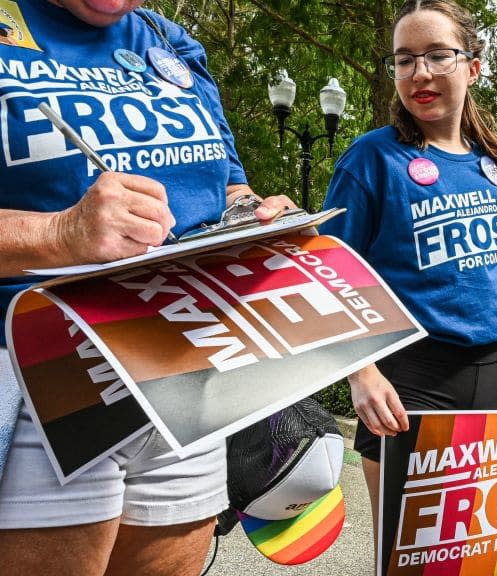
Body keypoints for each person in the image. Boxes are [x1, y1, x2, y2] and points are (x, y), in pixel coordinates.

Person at [0, 1, 296, 574]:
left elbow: (226, 190)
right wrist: (58, 232)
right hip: (37, 372)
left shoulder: (167, 38)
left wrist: (261, 218)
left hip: (180, 368)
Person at [318, 0, 497, 543]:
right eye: (404, 60)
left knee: (482, 557)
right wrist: (360, 373)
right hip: (406, 381)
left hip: (492, 376)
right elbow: (326, 274)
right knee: (410, 555)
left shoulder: (493, 167)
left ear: (473, 67)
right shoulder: (370, 159)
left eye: (437, 55)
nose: (420, 73)